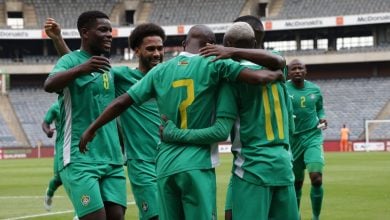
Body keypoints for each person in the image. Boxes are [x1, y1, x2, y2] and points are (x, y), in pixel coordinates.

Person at [78, 24, 284, 220]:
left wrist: (92, 128)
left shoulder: (159, 71)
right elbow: (259, 77)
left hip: (165, 165)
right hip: (197, 163)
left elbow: (121, 102)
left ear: (185, 44)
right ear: (211, 46)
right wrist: (276, 74)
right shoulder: (215, 63)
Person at [160, 22, 298, 220]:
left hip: (253, 168)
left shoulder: (232, 78)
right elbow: (280, 61)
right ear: (254, 42)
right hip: (284, 166)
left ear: (227, 44)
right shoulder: (276, 69)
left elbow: (220, 131)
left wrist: (175, 133)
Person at [46, 18, 165, 220]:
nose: (156, 54)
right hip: (87, 157)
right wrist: (59, 39)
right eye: (103, 30)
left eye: (160, 49)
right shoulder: (119, 75)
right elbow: (75, 71)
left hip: (120, 159)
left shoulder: (167, 75)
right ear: (137, 51)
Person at [43, 11, 127, 220]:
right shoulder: (71, 62)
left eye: (110, 30)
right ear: (85, 33)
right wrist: (80, 69)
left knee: (116, 216)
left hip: (112, 158)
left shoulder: (107, 67)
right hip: (80, 158)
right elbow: (49, 84)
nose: (109, 34)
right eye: (103, 30)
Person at [286, 59, 327, 220]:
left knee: (316, 178)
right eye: (293, 68)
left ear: (305, 71)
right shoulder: (283, 89)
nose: (297, 71)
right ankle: (296, 216)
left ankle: (315, 217)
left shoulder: (315, 90)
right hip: (293, 139)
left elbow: (320, 108)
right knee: (296, 184)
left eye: (300, 68)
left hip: (312, 137)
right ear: (288, 73)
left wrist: (322, 118)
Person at [42, 100, 62, 211]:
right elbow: (45, 123)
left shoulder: (81, 102)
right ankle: (49, 195)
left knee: (81, 177)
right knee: (59, 178)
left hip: (79, 145)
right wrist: (47, 131)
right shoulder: (55, 107)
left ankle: (81, 212)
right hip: (61, 147)